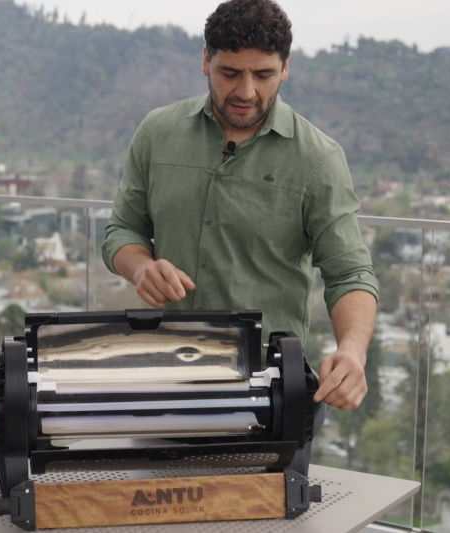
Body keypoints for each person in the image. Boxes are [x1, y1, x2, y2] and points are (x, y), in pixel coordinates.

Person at [100, 0, 378, 410]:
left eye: (263, 74)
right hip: (165, 374)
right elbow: (121, 231)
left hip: (269, 386)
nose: (247, 91)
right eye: (230, 73)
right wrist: (141, 267)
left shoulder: (318, 159)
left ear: (285, 68)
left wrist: (352, 351)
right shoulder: (157, 133)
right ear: (206, 60)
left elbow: (350, 272)